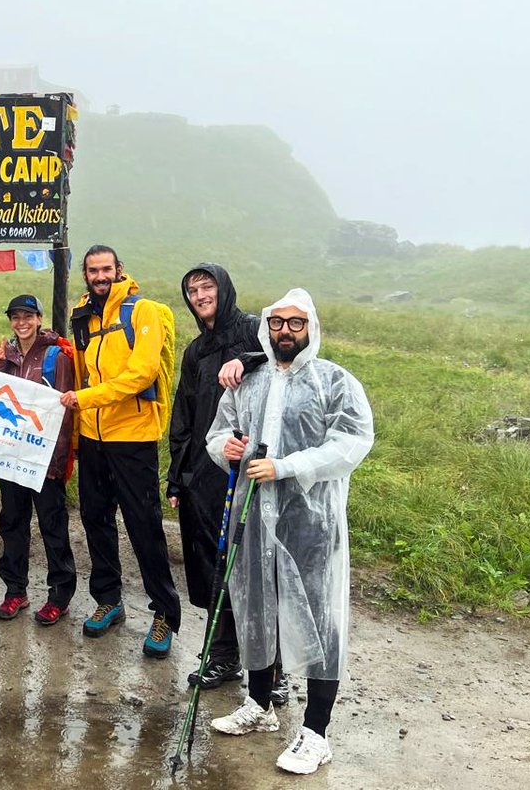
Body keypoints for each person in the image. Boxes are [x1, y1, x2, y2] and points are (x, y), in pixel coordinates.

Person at [205, 288, 374, 776]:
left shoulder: (334, 382)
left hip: (310, 524)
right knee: (256, 606)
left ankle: (316, 732)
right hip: (254, 516)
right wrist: (225, 448)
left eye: (296, 323)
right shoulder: (247, 381)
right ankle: (259, 705)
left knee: (320, 617)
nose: (285, 331)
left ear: (311, 329)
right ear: (267, 328)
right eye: (277, 322)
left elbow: (351, 443)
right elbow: (219, 431)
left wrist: (286, 467)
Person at [166, 264, 288, 702]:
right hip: (205, 474)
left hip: (253, 471)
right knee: (215, 565)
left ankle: (273, 668)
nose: (200, 295)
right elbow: (183, 415)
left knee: (257, 567)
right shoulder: (196, 350)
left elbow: (288, 361)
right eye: (193, 290)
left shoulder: (255, 330)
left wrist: (247, 358)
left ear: (224, 289)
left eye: (207, 287)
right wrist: (177, 478)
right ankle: (222, 654)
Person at [60, 245, 181, 657]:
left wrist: (86, 399)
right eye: (93, 270)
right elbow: (81, 369)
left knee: (144, 525)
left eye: (106, 269)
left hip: (133, 436)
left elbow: (141, 373)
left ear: (119, 270)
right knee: (95, 519)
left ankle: (164, 614)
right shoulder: (82, 315)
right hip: (93, 436)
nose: (100, 276)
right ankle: (108, 599)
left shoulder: (143, 312)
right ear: (85, 274)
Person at [0, 294, 77, 626]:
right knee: (12, 524)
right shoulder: (6, 355)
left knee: (53, 526)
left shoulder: (57, 356)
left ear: (39, 318)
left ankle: (60, 596)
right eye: (15, 317)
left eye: (28, 316)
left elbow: (65, 414)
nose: (21, 322)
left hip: (44, 461)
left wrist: (58, 461)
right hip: (11, 458)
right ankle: (15, 591)